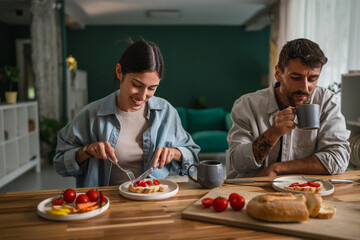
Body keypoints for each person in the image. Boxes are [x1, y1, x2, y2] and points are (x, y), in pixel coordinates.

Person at [54, 40, 200, 187]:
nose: (142, 96)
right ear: (119, 71)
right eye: (137, 85)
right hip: (105, 201)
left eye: (152, 88)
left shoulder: (166, 112)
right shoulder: (90, 115)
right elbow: (60, 163)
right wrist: (87, 150)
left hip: (152, 200)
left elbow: (192, 157)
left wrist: (174, 153)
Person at [227, 38, 350, 178]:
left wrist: (278, 169)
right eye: (296, 77)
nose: (305, 88)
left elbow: (338, 158)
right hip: (252, 190)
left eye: (312, 79)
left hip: (303, 190)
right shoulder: (247, 105)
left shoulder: (326, 101)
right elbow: (237, 162)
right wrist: (273, 132)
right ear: (278, 73)